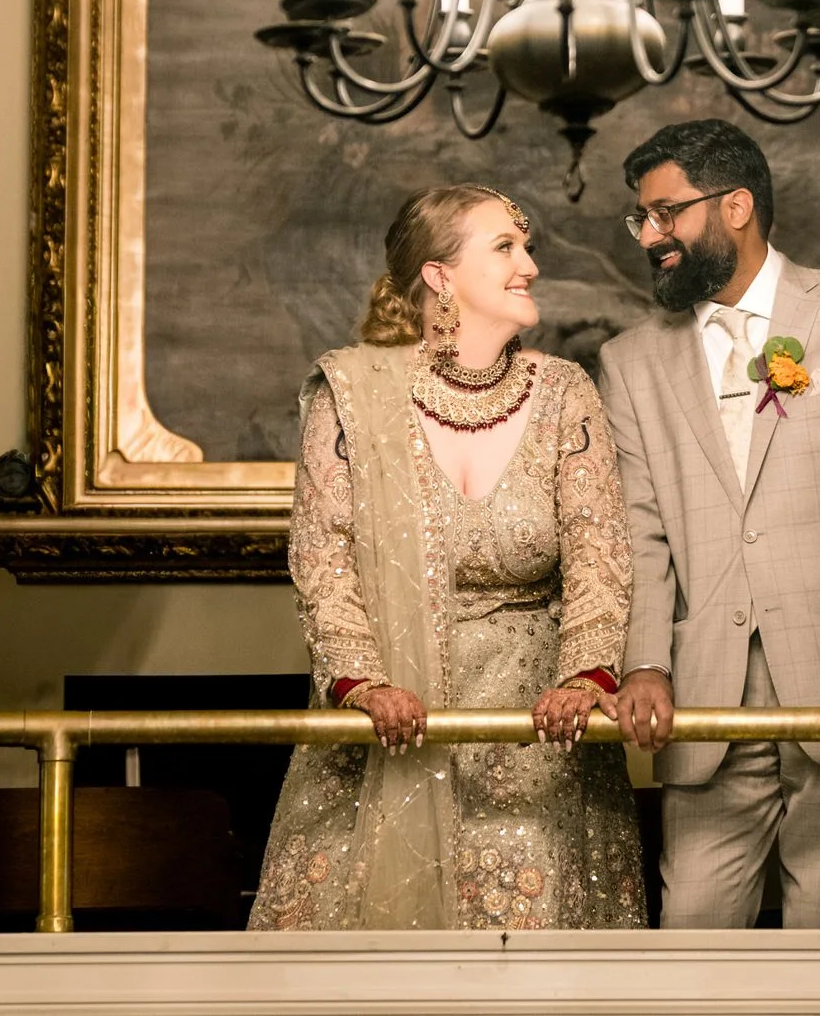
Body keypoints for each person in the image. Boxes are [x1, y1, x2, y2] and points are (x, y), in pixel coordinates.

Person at [251, 185, 644, 930]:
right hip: (385, 725)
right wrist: (364, 686)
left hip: (536, 733)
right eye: (505, 247)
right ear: (439, 276)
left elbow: (601, 552)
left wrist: (583, 677)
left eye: (524, 247)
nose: (528, 265)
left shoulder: (564, 392)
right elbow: (322, 557)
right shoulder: (355, 391)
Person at [597, 119, 820, 929]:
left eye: (666, 213)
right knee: (691, 937)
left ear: (736, 206)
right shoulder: (629, 361)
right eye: (641, 219)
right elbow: (637, 530)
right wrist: (643, 662)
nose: (650, 236)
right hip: (703, 695)